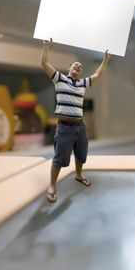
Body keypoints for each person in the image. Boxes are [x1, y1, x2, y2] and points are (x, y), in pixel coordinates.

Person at [41, 39, 111, 203]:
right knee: (60, 158)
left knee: (81, 153)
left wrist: (105, 59)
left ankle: (78, 175)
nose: (78, 67)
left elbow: (98, 74)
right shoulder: (59, 79)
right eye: (75, 65)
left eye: (80, 66)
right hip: (65, 127)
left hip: (80, 126)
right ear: (69, 68)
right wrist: (45, 46)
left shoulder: (82, 84)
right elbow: (44, 63)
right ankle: (52, 185)